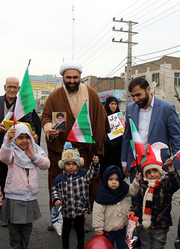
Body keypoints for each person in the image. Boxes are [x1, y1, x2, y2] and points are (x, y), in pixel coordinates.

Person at [41, 61, 109, 230]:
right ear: (63, 77)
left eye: (75, 77)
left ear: (80, 77)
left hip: (84, 151)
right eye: (68, 77)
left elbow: (102, 119)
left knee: (84, 185)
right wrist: (49, 129)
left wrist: (98, 146)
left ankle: (81, 218)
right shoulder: (55, 96)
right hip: (60, 150)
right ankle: (58, 218)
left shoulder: (91, 94)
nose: (72, 80)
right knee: (58, 184)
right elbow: (46, 117)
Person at [0, 77, 37, 202]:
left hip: (16, 152)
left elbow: (30, 124)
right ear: (4, 87)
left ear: (18, 89)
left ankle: (10, 210)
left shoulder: (22, 105)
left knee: (13, 182)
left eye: (15, 87)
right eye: (9, 86)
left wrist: (33, 134)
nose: (12, 89)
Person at [121, 77, 180, 183]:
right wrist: (124, 162)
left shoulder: (167, 109)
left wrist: (176, 165)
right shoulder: (130, 108)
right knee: (137, 198)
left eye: (138, 95)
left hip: (158, 166)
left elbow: (176, 139)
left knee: (159, 198)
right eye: (132, 96)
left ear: (148, 90)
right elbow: (127, 137)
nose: (136, 99)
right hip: (136, 166)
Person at [0, 123, 50, 248]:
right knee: (14, 228)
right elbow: (3, 157)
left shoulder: (34, 149)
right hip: (14, 196)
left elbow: (46, 164)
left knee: (27, 227)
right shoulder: (12, 150)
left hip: (29, 197)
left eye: (27, 137)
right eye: (20, 137)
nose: (24, 141)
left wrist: (34, 156)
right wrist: (8, 140)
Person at [127, 143, 180, 249]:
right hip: (145, 225)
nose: (152, 175)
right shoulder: (144, 185)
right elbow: (138, 201)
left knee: (158, 246)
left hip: (160, 225)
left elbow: (177, 184)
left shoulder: (165, 183)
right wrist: (133, 210)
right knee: (145, 245)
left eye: (155, 171)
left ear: (160, 171)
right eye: (148, 172)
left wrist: (171, 168)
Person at [52, 142, 100, 249]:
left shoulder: (83, 175)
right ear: (62, 164)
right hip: (66, 211)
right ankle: (65, 247)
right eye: (68, 164)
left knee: (80, 231)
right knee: (66, 231)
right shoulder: (60, 179)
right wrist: (57, 199)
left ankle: (80, 246)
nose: (71, 167)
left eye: (73, 164)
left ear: (78, 163)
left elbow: (92, 175)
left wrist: (95, 165)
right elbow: (55, 190)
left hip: (80, 210)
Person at [92, 165, 141, 249]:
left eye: (117, 179)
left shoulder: (122, 188)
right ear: (106, 179)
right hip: (108, 229)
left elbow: (133, 190)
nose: (114, 182)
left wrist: (136, 181)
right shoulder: (102, 194)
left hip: (121, 227)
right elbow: (97, 212)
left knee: (122, 245)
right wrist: (98, 227)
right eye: (111, 179)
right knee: (108, 246)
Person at [100, 96, 123, 177]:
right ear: (108, 105)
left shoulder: (120, 116)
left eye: (115, 104)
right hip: (107, 149)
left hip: (118, 149)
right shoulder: (102, 117)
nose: (114, 106)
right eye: (112, 104)